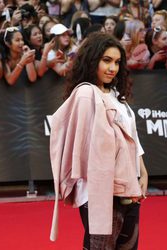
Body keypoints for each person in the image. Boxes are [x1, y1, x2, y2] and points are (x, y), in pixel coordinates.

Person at [49, 32, 148, 249]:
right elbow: (84, 149)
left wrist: (142, 171)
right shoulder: (86, 94)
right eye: (106, 61)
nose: (113, 68)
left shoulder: (115, 95)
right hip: (100, 191)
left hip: (128, 186)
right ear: (92, 60)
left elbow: (131, 137)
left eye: (117, 62)